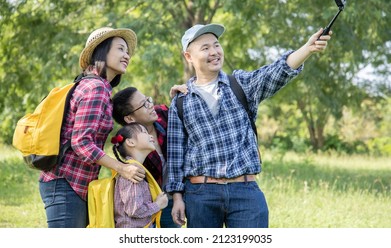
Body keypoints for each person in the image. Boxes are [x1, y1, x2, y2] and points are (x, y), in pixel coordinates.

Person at [165, 23, 332, 228]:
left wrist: (307, 48)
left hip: (245, 193)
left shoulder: (241, 84)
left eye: (216, 45)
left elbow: (274, 72)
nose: (214, 52)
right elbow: (175, 154)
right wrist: (178, 197)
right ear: (189, 57)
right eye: (205, 48)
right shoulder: (181, 101)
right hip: (201, 195)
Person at [39, 27, 145, 228]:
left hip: (74, 185)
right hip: (65, 183)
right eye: (120, 49)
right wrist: (122, 168)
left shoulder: (96, 86)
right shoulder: (95, 88)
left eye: (127, 51)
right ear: (102, 51)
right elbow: (81, 143)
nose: (127, 55)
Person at [112, 85, 187, 228]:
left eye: (148, 100)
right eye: (144, 105)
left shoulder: (163, 114)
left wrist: (181, 96)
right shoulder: (133, 151)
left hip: (179, 193)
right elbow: (135, 206)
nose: (150, 105)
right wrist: (158, 205)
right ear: (129, 118)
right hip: (155, 203)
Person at [111, 123, 168, 228]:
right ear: (131, 142)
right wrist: (158, 205)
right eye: (144, 132)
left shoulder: (135, 169)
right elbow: (134, 210)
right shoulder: (131, 172)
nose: (150, 135)